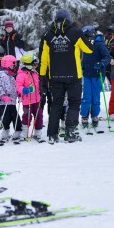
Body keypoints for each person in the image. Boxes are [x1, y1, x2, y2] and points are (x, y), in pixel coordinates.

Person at [39, 8, 93, 144]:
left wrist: (42, 77)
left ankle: (52, 134)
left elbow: (43, 59)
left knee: (56, 104)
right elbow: (88, 49)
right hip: (74, 75)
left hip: (55, 76)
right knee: (74, 103)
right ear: (69, 19)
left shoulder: (47, 35)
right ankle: (71, 132)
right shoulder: (75, 32)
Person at [80, 26, 110, 129]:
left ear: (92, 35)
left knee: (95, 97)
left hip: (97, 74)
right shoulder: (85, 44)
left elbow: (107, 57)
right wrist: (82, 66)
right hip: (87, 74)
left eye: (86, 37)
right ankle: (84, 115)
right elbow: (85, 57)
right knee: (87, 96)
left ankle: (94, 115)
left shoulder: (99, 44)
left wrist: (101, 63)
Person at [16, 54, 44, 142]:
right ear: (27, 64)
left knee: (39, 116)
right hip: (27, 101)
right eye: (34, 64)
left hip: (36, 100)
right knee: (27, 117)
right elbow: (18, 86)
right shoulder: (21, 75)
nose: (35, 66)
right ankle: (24, 133)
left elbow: (38, 84)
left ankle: (38, 133)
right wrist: (25, 89)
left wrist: (41, 89)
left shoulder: (35, 73)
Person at [0, 55, 22, 142]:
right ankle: (5, 131)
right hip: (3, 102)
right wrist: (2, 95)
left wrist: (18, 93)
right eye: (12, 65)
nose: (14, 67)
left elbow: (14, 87)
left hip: (11, 101)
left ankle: (18, 131)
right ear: (7, 64)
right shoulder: (1, 75)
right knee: (5, 117)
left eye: (14, 65)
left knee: (15, 116)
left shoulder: (11, 76)